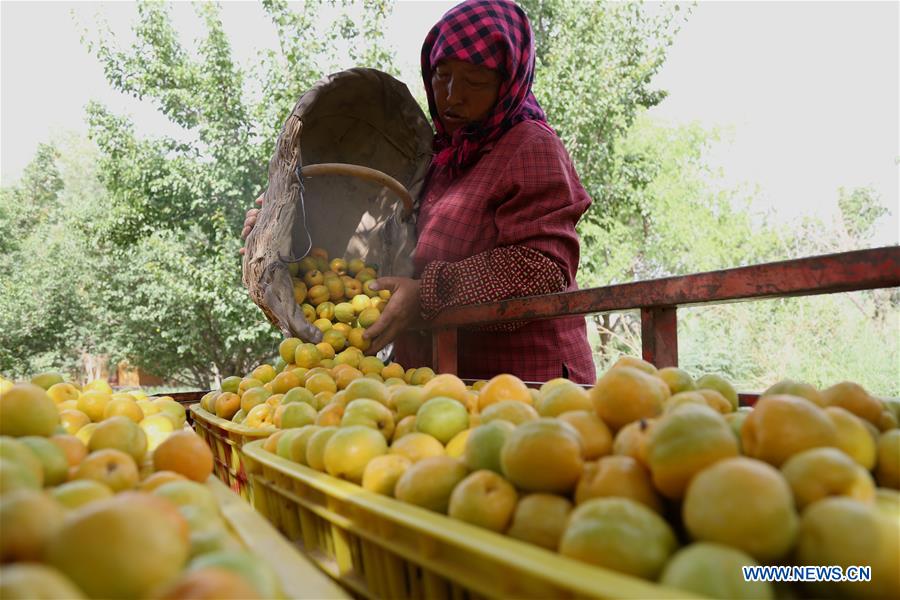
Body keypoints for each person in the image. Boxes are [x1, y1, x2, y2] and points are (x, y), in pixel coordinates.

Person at [243, 0, 595, 384]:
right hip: (437, 382)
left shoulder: (530, 147)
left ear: (509, 81)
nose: (452, 96)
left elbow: (541, 269)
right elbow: (381, 240)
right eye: (442, 76)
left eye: (474, 82)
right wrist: (286, 227)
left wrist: (426, 293)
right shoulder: (436, 155)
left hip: (522, 382)